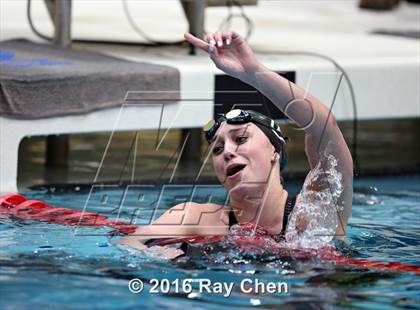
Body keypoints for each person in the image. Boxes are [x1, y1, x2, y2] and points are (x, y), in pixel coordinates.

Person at [118, 31, 353, 255]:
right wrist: (167, 255)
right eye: (217, 149)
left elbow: (324, 128)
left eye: (241, 138)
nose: (227, 152)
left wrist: (254, 73)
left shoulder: (314, 211)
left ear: (276, 151)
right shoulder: (195, 218)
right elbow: (130, 244)